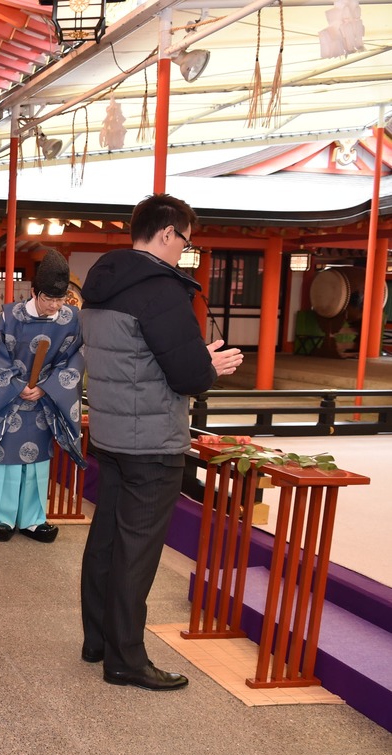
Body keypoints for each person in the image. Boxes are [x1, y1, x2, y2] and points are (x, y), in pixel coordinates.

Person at [79, 193, 243, 691]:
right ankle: (126, 659)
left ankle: (99, 641)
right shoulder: (160, 290)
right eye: (185, 243)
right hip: (151, 441)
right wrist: (209, 365)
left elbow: (135, 358)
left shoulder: (102, 282)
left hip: (110, 433)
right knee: (137, 551)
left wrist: (194, 358)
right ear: (168, 232)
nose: (184, 253)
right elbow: (188, 375)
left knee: (106, 539)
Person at [0, 249, 85, 543]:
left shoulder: (70, 320)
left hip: (44, 400)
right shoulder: (8, 317)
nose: (54, 306)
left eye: (60, 299)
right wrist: (18, 387)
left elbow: (74, 359)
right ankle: (0, 518)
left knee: (37, 462)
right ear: (33, 292)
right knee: (5, 459)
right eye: (48, 299)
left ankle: (33, 519)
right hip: (8, 401)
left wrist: (46, 387)